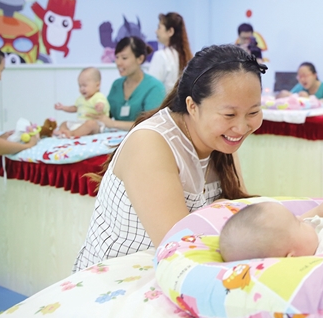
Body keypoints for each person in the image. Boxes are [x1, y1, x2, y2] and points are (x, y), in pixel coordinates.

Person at [73, 44, 267, 271]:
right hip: (117, 277)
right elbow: (180, 249)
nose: (241, 127)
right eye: (229, 114)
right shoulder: (151, 143)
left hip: (176, 271)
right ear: (192, 106)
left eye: (253, 112)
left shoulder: (221, 142)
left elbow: (239, 216)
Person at [86, 37, 166, 133]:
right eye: (117, 57)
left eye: (124, 58)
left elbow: (151, 124)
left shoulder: (155, 87)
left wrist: (113, 124)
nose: (118, 63)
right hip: (114, 138)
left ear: (140, 59)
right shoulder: (116, 84)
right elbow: (106, 115)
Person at [53, 67, 110, 138]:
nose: (82, 89)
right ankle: (62, 132)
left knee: (91, 124)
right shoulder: (81, 98)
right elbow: (75, 108)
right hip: (81, 123)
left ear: (97, 85)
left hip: (97, 124)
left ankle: (72, 133)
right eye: (80, 86)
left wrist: (100, 106)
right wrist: (63, 108)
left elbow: (102, 104)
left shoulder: (98, 96)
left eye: (84, 85)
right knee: (64, 123)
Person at [149, 12, 193, 93]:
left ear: (170, 31)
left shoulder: (161, 56)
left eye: (159, 27)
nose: (156, 31)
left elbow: (151, 88)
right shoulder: (188, 57)